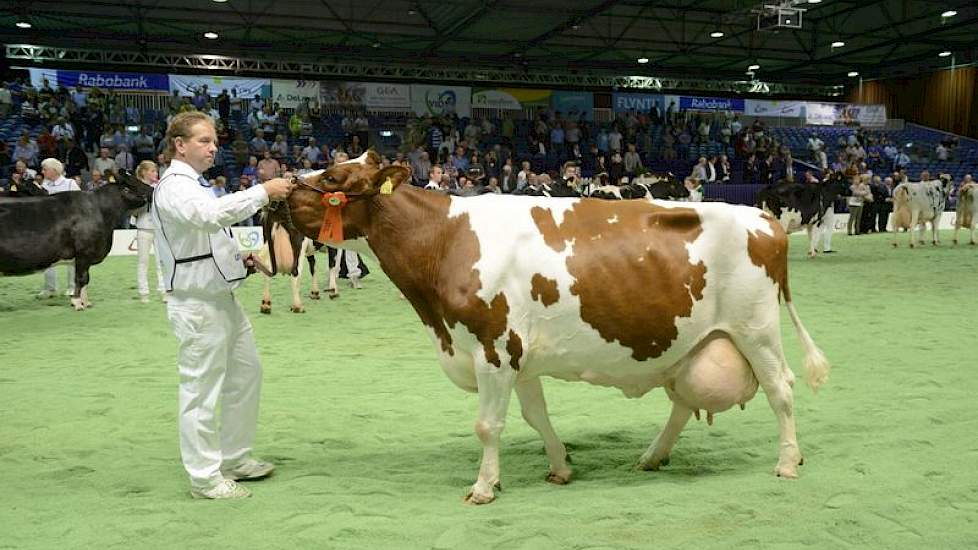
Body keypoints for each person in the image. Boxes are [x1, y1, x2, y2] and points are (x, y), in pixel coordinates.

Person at [151, 111, 293, 499]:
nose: (213, 147)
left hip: (222, 299)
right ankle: (204, 478)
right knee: (200, 390)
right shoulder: (175, 186)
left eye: (214, 141)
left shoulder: (195, 184)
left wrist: (239, 258)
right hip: (197, 304)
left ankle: (235, 457)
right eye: (203, 140)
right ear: (179, 145)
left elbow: (209, 237)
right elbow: (209, 218)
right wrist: (264, 191)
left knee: (247, 374)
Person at [37, 158, 80, 299]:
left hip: (69, 228)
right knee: (47, 258)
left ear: (54, 170)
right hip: (50, 228)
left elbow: (80, 204)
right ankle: (50, 288)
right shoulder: (45, 185)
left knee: (72, 259)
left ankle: (73, 287)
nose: (42, 172)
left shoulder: (70, 184)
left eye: (45, 169)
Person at [130, 160, 166, 303]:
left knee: (162, 261)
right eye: (152, 171)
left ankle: (164, 290)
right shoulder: (136, 188)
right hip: (144, 227)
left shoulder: (160, 187)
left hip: (159, 227)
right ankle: (143, 292)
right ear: (144, 172)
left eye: (156, 171)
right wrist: (144, 201)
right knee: (143, 261)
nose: (155, 174)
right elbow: (132, 210)